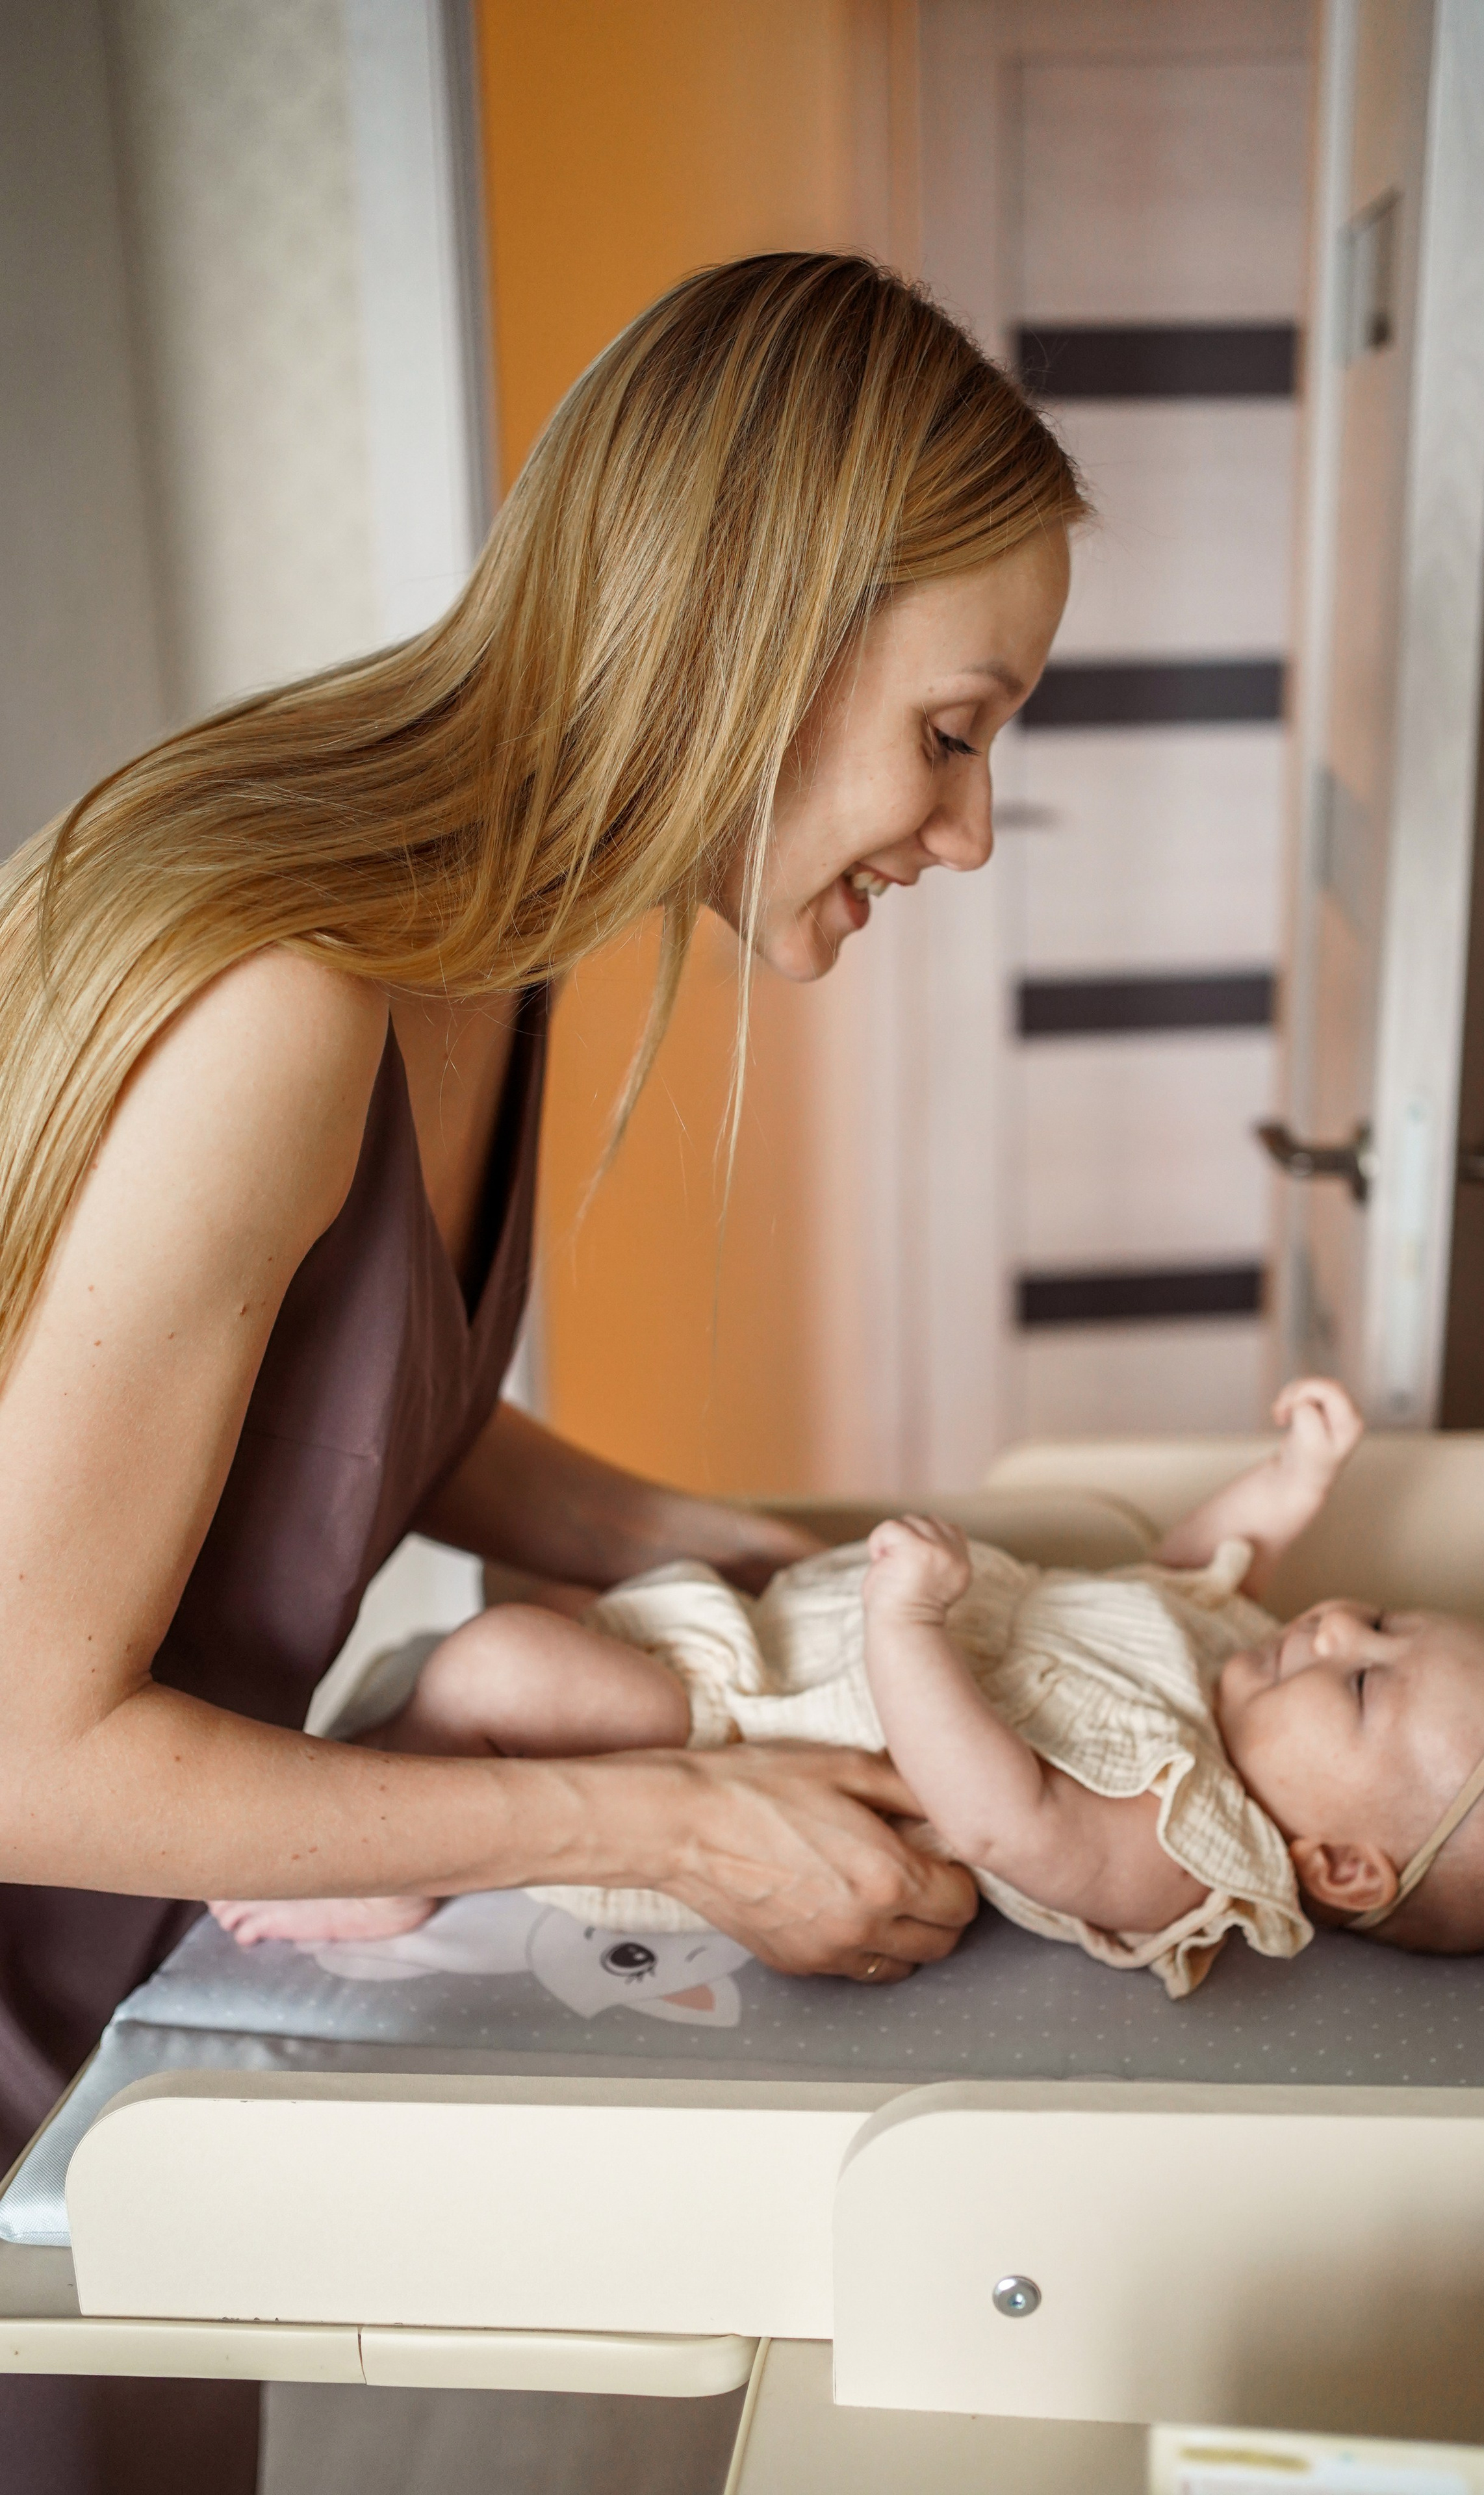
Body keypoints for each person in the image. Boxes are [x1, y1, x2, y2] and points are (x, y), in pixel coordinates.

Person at [0, 253, 1081, 2492]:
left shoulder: (488, 955)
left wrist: (723, 1550)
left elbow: (337, 1398)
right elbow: (22, 1748)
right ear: (761, 633)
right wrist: (672, 1826)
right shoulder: (289, 999)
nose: (969, 830)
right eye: (956, 732)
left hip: (124, 1998)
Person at [210, 1380, 1484, 2001]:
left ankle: (390, 1835)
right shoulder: (1235, 1674)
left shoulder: (1186, 1845)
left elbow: (1002, 1817)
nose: (1324, 1626)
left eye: (1359, 1685)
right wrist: (1290, 1486)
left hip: (742, 1741)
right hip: (759, 1635)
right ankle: (432, 1755)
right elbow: (1173, 1576)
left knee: (497, 1663)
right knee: (545, 1632)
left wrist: (908, 1628)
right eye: (1371, 1618)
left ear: (1335, 1863)